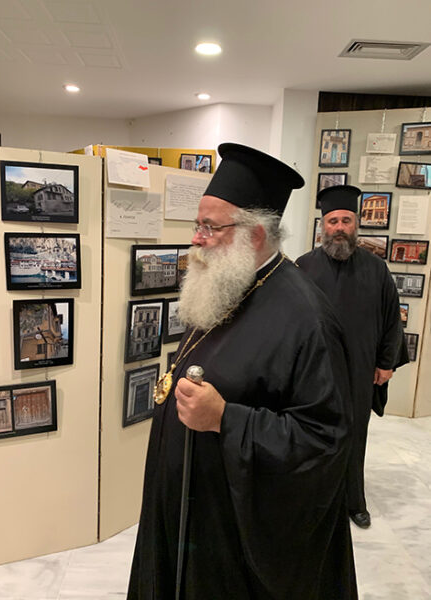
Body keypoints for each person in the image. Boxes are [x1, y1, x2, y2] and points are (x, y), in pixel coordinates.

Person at [128, 143, 358, 599]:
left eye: (210, 227)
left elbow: (326, 441)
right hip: (189, 507)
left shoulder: (308, 319)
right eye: (197, 225)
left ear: (254, 235)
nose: (197, 238)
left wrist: (225, 419)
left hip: (235, 539)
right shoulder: (226, 283)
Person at [297, 185, 408, 529]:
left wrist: (386, 363)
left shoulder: (376, 269)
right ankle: (313, 500)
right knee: (313, 433)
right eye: (333, 221)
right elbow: (290, 319)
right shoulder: (303, 267)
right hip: (315, 370)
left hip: (360, 370)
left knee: (355, 435)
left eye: (346, 220)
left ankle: (353, 501)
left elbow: (392, 318)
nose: (340, 228)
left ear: (356, 224)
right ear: (323, 226)